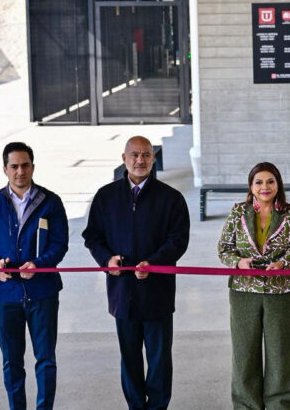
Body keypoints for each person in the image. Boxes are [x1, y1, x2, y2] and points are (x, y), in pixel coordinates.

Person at [82, 136, 189, 410]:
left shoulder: (171, 198)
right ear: (124, 158)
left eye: (146, 155)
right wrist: (106, 260)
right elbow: (92, 236)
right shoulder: (105, 197)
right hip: (123, 293)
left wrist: (153, 263)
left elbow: (178, 240)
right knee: (129, 360)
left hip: (158, 293)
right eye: (134, 155)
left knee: (159, 361)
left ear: (153, 159)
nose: (140, 160)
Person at [0, 142, 69, 410]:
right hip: (6, 296)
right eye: (14, 166)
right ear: (5, 169)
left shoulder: (50, 202)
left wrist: (39, 264)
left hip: (43, 294)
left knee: (46, 360)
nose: (20, 171)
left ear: (33, 167)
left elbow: (59, 244)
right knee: (11, 362)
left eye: (25, 165)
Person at [218, 162, 290, 410]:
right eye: (258, 182)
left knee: (281, 352)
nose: (264, 187)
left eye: (270, 181)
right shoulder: (238, 212)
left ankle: (282, 404)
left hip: (280, 291)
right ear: (251, 186)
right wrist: (239, 262)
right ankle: (246, 405)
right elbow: (224, 249)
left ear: (278, 185)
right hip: (244, 292)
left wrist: (283, 263)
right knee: (244, 353)